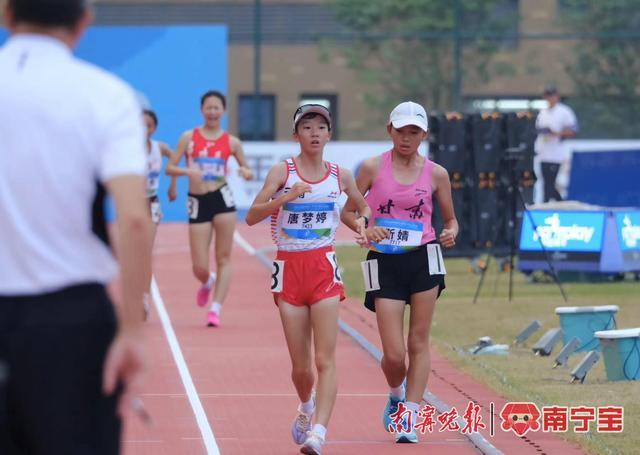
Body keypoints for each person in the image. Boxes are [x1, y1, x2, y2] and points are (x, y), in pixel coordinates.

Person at [0, 1, 151, 454]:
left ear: (6, 12)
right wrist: (131, 330)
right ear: (85, 19)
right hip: (70, 321)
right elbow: (134, 218)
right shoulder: (105, 95)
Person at [246, 104, 370, 455]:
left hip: (323, 269)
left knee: (325, 359)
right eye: (307, 127)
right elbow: (253, 216)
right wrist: (286, 197)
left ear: (329, 134)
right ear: (295, 135)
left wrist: (361, 225)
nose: (314, 133)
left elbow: (362, 207)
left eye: (321, 127)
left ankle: (319, 432)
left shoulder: (340, 175)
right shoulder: (282, 171)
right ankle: (306, 406)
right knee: (301, 368)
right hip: (289, 271)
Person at [344, 101, 458, 443]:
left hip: (424, 257)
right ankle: (397, 393)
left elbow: (450, 218)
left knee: (418, 341)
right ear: (389, 130)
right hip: (383, 260)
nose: (406, 138)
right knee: (393, 354)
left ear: (424, 134)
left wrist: (452, 231)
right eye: (400, 131)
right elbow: (348, 212)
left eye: (414, 132)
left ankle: (411, 414)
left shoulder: (436, 173)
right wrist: (365, 225)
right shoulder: (371, 167)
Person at [166, 90, 253, 327]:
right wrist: (187, 172)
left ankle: (215, 309)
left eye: (217, 108)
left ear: (223, 111)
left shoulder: (232, 142)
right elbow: (170, 168)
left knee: (224, 257)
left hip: (222, 199)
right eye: (209, 107)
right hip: (197, 200)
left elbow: (248, 169)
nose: (213, 112)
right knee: (199, 265)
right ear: (202, 110)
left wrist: (246, 171)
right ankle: (207, 281)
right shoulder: (188, 137)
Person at [142, 109, 177, 318]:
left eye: (147, 125)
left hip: (152, 202)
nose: (142, 129)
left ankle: (143, 297)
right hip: (132, 205)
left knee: (145, 252)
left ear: (153, 128)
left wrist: (172, 185)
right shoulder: (126, 150)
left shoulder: (159, 148)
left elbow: (174, 158)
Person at [534, 85, 578, 202]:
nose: (550, 98)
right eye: (548, 96)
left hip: (556, 152)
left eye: (552, 96)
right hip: (544, 151)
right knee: (546, 181)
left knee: (550, 182)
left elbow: (573, 130)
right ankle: (555, 202)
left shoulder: (564, 111)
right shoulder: (543, 112)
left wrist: (557, 133)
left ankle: (549, 203)